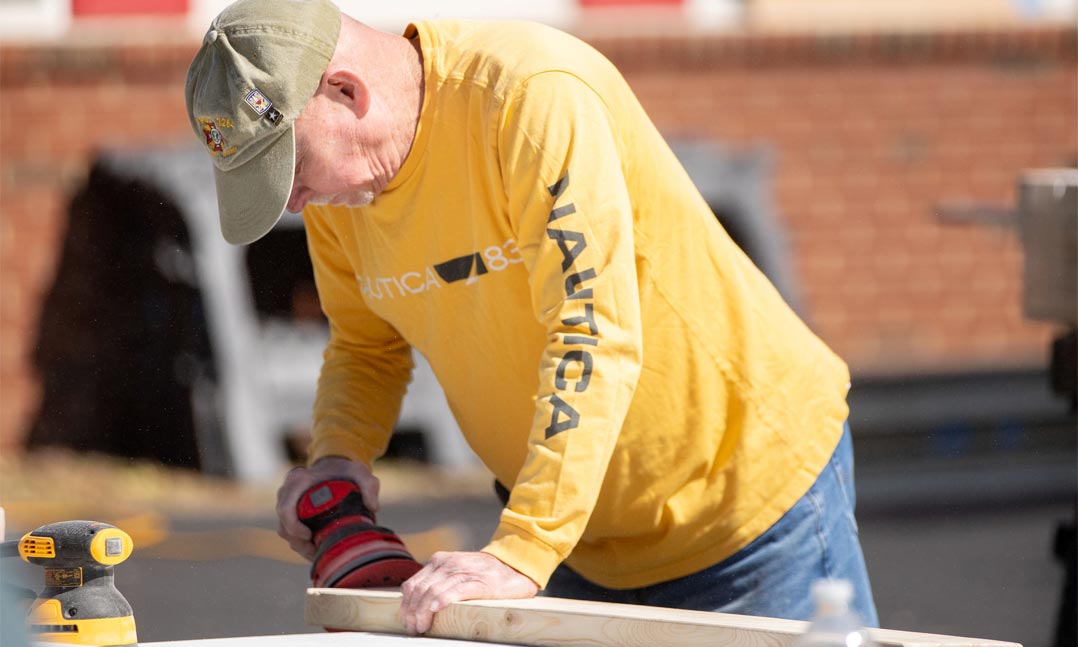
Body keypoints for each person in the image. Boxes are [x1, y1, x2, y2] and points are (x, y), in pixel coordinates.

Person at [185, 0, 878, 635]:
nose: (296, 202)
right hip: (576, 538)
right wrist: (337, 458)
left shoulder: (529, 99)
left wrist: (525, 546)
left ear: (346, 90)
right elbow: (368, 345)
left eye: (292, 164)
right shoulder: (345, 196)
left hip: (745, 509)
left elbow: (592, 328)